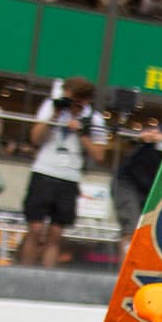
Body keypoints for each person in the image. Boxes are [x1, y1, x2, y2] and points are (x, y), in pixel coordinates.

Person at [18, 77, 108, 268]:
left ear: (84, 100)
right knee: (35, 227)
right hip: (44, 171)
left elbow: (99, 155)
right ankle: (24, 272)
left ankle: (47, 275)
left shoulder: (94, 119)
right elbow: (35, 138)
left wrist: (82, 133)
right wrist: (54, 116)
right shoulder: (52, 107)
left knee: (56, 233)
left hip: (70, 176)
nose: (70, 103)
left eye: (73, 100)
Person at [113, 121, 162, 251]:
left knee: (150, 235)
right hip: (128, 183)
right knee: (131, 231)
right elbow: (134, 138)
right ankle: (126, 270)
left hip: (151, 190)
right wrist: (148, 135)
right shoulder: (148, 143)